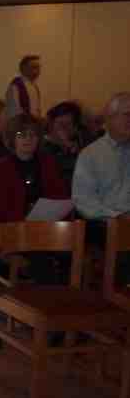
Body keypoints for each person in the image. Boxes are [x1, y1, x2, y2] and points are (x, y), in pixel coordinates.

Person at [72, 92, 130, 284]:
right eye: (127, 115)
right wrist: (117, 216)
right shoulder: (90, 155)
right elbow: (83, 202)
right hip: (104, 224)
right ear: (110, 118)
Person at [0, 114, 70, 223]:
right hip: (13, 226)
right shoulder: (2, 167)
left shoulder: (48, 162)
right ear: (12, 138)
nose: (28, 138)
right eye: (22, 134)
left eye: (33, 134)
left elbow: (60, 197)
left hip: (47, 224)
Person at [41, 100, 87, 184]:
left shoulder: (80, 145)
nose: (63, 128)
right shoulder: (41, 146)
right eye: (60, 123)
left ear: (75, 128)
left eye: (68, 124)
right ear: (51, 124)